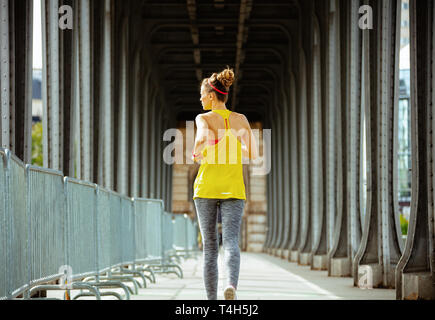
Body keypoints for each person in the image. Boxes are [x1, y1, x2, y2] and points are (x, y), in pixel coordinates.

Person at [191, 66, 258, 300]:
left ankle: (211, 301)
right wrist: (234, 146)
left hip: (206, 188)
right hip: (233, 189)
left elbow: (201, 139)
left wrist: (198, 150)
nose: (200, 98)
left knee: (210, 248)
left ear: (211, 96)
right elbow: (253, 151)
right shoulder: (240, 120)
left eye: (202, 94)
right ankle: (231, 285)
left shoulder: (203, 118)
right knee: (231, 242)